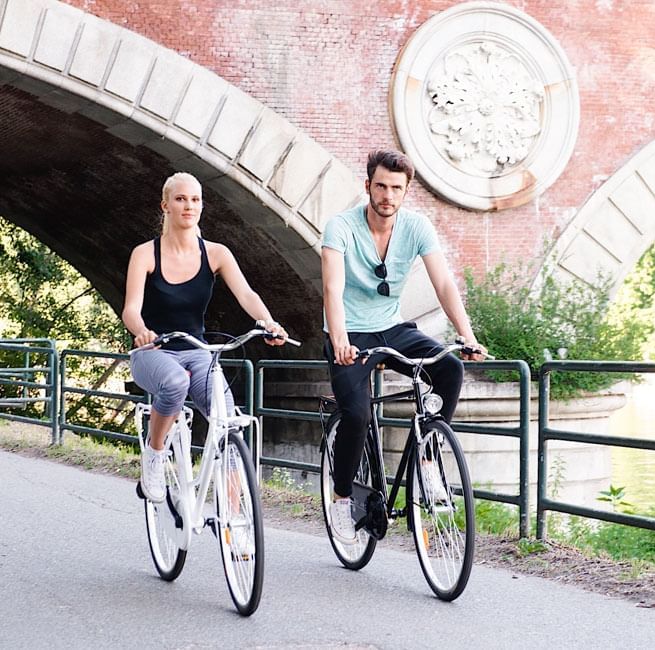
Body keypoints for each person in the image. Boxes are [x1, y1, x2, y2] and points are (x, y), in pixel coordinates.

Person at [321, 149, 486, 543]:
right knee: (357, 415)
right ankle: (341, 498)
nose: (388, 195)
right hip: (349, 334)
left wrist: (466, 334)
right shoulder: (340, 227)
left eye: (396, 188)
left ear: (406, 191)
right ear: (368, 187)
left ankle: (426, 462)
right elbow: (332, 288)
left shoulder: (416, 227)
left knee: (449, 369)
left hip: (392, 328)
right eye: (381, 186)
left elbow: (443, 283)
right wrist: (340, 341)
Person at [122, 171, 288, 503]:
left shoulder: (216, 254)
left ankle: (236, 524)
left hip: (198, 351)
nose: (189, 206)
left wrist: (268, 322)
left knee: (229, 423)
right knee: (174, 384)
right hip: (154, 352)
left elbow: (246, 294)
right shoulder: (145, 254)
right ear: (165, 205)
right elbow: (131, 309)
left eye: (195, 199)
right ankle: (154, 457)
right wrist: (142, 332)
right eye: (181, 199)